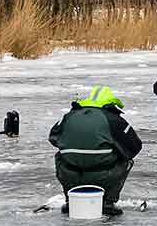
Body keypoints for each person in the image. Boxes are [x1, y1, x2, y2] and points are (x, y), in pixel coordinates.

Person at [49, 85, 142, 217]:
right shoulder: (113, 119)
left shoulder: (69, 116)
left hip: (68, 172)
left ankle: (71, 200)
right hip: (104, 174)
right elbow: (134, 147)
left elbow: (53, 137)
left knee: (60, 155)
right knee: (127, 160)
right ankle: (108, 202)